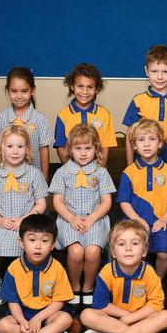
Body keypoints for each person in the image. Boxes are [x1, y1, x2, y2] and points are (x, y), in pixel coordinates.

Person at [0, 125, 48, 306]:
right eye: (9, 146)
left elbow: (41, 203)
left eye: (20, 146)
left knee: (34, 251)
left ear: (27, 150)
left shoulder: (34, 174)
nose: (15, 151)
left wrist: (25, 220)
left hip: (27, 222)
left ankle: (29, 283)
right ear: (1, 148)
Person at [49, 123, 117, 306]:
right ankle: (74, 287)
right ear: (70, 150)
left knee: (93, 251)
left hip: (95, 219)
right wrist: (71, 218)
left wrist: (92, 218)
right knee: (77, 251)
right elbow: (57, 202)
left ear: (96, 149)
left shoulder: (101, 172)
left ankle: (88, 287)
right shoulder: (62, 172)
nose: (83, 153)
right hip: (68, 220)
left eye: (88, 148)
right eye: (78, 148)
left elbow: (106, 202)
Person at [80, 220, 167, 333]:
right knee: (86, 315)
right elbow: (101, 305)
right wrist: (126, 316)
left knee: (166, 317)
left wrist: (132, 318)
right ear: (113, 252)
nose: (128, 248)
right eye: (121, 244)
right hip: (115, 320)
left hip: (142, 319)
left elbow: (156, 305)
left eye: (135, 243)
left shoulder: (149, 272)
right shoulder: (107, 272)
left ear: (144, 251)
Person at [116, 119, 167, 279]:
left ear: (160, 143)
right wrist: (137, 219)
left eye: (152, 139)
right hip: (133, 222)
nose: (146, 144)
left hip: (161, 223)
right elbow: (124, 202)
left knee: (164, 254)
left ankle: (156, 283)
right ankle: (136, 281)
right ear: (133, 145)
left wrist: (164, 220)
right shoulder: (129, 172)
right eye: (141, 140)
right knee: (132, 252)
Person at [122, 45, 167, 182]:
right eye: (154, 71)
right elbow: (129, 137)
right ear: (146, 71)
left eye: (165, 71)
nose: (160, 77)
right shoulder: (138, 101)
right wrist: (130, 167)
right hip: (141, 165)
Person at [0, 214, 74, 333]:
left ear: (53, 245)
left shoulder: (57, 268)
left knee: (66, 319)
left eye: (45, 241)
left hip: (49, 314)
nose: (38, 246)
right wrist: (21, 321)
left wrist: (39, 318)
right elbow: (13, 302)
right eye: (32, 240)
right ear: (21, 242)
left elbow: (59, 301)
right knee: (1, 326)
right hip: (23, 313)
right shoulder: (14, 268)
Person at [0, 67, 54, 181]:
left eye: (24, 91)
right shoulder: (1, 117)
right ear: (8, 91)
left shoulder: (40, 118)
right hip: (5, 177)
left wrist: (44, 179)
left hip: (33, 180)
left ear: (32, 90)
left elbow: (44, 150)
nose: (19, 96)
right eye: (14, 91)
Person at [54, 63, 117, 166]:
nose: (85, 91)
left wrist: (100, 171)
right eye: (80, 86)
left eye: (90, 87)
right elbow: (61, 147)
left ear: (96, 89)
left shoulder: (104, 114)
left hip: (97, 172)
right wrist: (70, 171)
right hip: (71, 172)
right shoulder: (63, 115)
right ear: (72, 86)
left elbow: (105, 147)